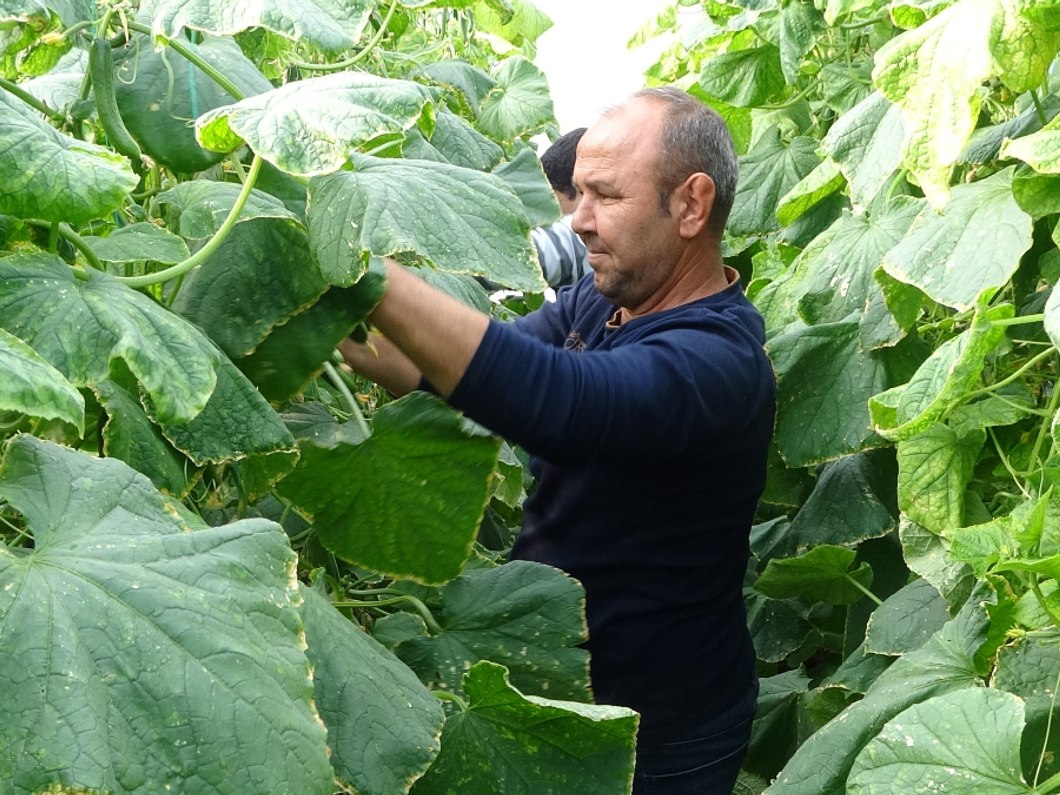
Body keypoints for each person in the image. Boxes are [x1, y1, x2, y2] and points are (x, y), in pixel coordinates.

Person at [340, 86, 775, 794]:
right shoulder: (606, 300)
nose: (578, 221)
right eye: (576, 195)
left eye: (604, 196)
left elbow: (562, 407)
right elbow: (454, 369)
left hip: (661, 734)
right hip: (559, 682)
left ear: (692, 205)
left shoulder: (719, 361)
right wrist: (345, 314)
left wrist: (367, 270)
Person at [532, 127, 592, 289]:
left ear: (583, 190)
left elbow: (525, 254)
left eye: (552, 207)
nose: (545, 220)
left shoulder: (581, 236)